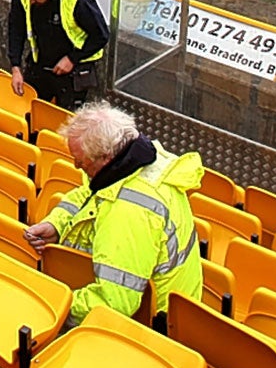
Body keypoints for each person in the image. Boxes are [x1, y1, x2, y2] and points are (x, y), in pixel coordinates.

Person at [24, 101, 203, 322]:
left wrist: (53, 304)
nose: (76, 166)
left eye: (81, 161)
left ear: (106, 157)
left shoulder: (130, 213)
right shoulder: (130, 163)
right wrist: (56, 224)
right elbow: (87, 195)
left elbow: (115, 303)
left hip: (155, 327)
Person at [7, 0, 110, 106]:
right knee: (28, 111)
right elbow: (16, 28)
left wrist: (72, 59)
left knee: (67, 122)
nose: (31, 2)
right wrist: (15, 67)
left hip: (73, 72)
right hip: (40, 66)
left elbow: (101, 35)